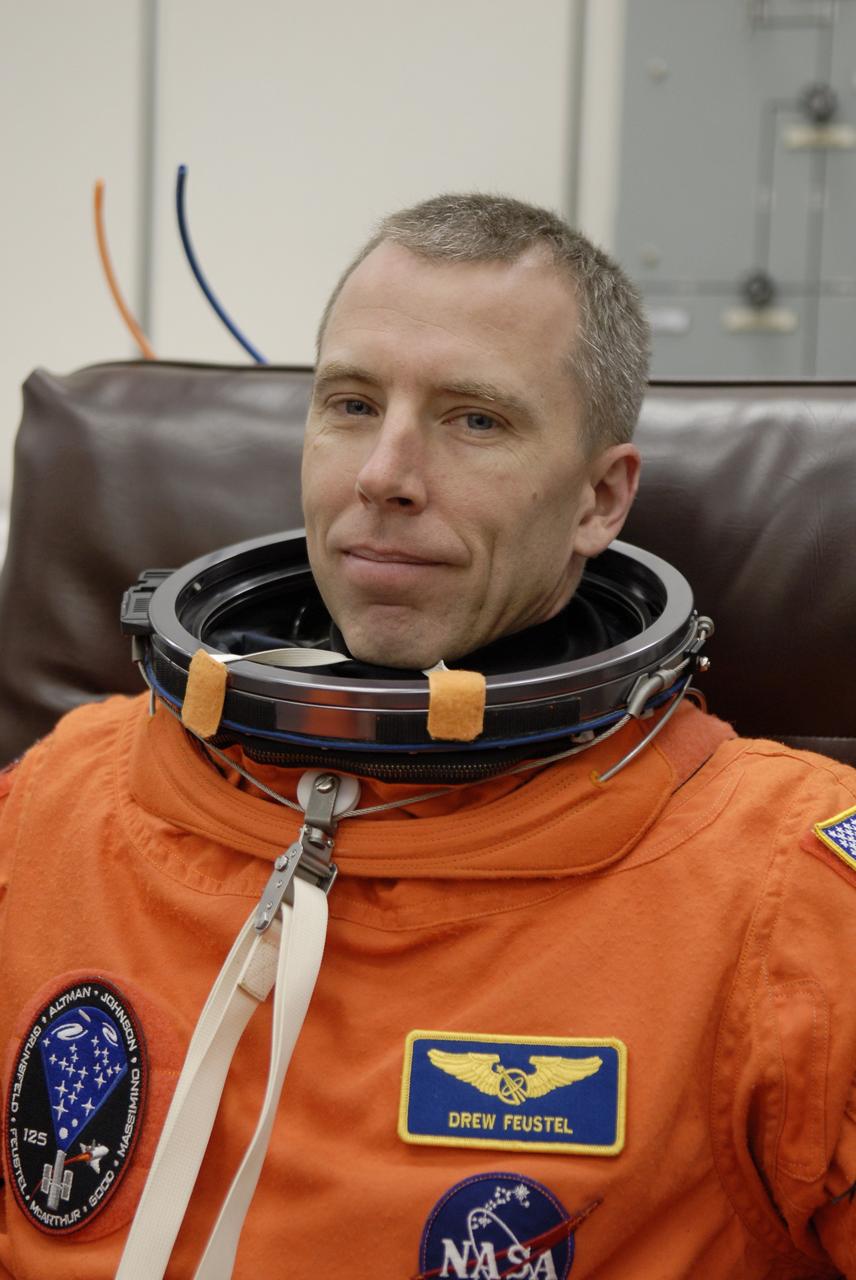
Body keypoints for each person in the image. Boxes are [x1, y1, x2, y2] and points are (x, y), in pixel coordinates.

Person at [0, 194, 854, 1280]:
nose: (384, 474)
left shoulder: (787, 893)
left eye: (474, 420)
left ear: (599, 499)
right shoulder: (59, 805)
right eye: (352, 404)